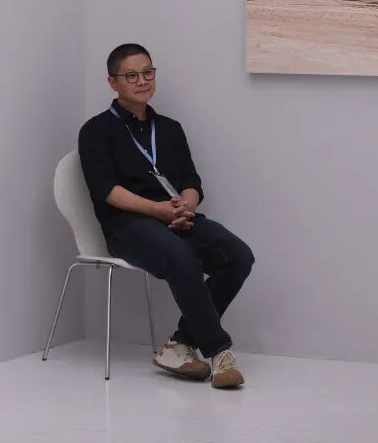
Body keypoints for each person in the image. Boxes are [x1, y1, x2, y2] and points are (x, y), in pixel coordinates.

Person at [78, 43, 254, 388]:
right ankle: (220, 352)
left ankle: (180, 345)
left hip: (176, 219)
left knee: (237, 255)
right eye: (131, 75)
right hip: (128, 226)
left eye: (148, 72)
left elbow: (191, 181)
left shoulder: (170, 128)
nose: (142, 81)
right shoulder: (95, 130)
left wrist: (186, 205)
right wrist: (158, 210)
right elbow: (108, 191)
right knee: (182, 257)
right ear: (113, 82)